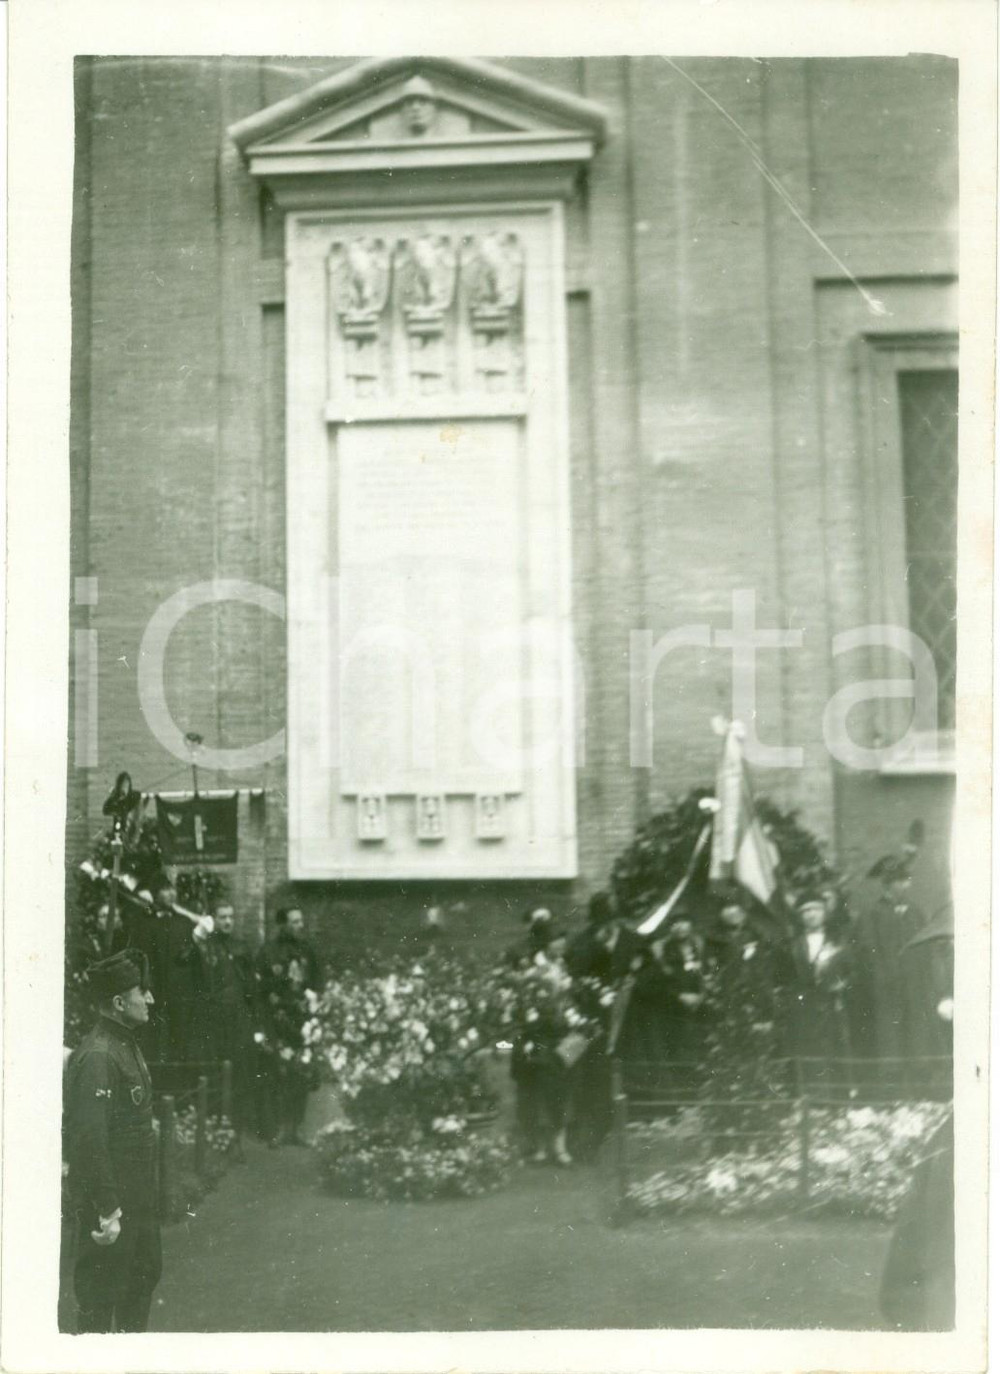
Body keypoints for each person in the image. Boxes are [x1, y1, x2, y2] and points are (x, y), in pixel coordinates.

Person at [63, 950, 161, 1333]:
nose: (150, 999)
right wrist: (108, 1210)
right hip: (113, 1211)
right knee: (99, 1310)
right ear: (119, 1003)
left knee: (139, 1288)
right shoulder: (101, 1055)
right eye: (143, 992)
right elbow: (89, 1140)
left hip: (136, 1204)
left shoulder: (124, 1043)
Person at [507, 907, 574, 1165]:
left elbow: (567, 999)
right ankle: (536, 1147)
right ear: (546, 945)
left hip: (559, 1035)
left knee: (559, 1090)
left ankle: (559, 1147)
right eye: (556, 946)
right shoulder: (532, 971)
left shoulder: (562, 967)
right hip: (535, 1036)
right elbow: (524, 1005)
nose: (561, 951)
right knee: (532, 1092)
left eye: (562, 947)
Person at [255, 907, 322, 1146]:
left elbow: (317, 981)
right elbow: (259, 987)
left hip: (302, 1021)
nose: (299, 925)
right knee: (278, 1073)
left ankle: (297, 1129)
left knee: (301, 1073)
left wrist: (313, 1010)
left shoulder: (307, 950)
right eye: (294, 922)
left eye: (300, 921)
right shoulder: (268, 951)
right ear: (282, 925)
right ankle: (279, 1129)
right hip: (277, 1021)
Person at [852, 853, 927, 1066]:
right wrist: (883, 977)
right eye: (899, 881)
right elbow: (868, 949)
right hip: (885, 985)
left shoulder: (916, 913)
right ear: (886, 885)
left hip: (913, 984)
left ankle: (919, 1076)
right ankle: (892, 1081)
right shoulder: (871, 914)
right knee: (888, 1033)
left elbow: (924, 948)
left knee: (916, 1030)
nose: (905, 885)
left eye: (907, 880)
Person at [786, 893, 854, 1092]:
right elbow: (786, 978)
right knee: (810, 1053)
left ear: (824, 913)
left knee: (838, 1049)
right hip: (804, 1007)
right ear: (800, 917)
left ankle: (842, 1098)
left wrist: (842, 985)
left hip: (834, 1005)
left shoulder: (839, 940)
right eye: (805, 911)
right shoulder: (792, 945)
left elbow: (853, 971)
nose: (810, 915)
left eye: (815, 909)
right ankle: (814, 1100)